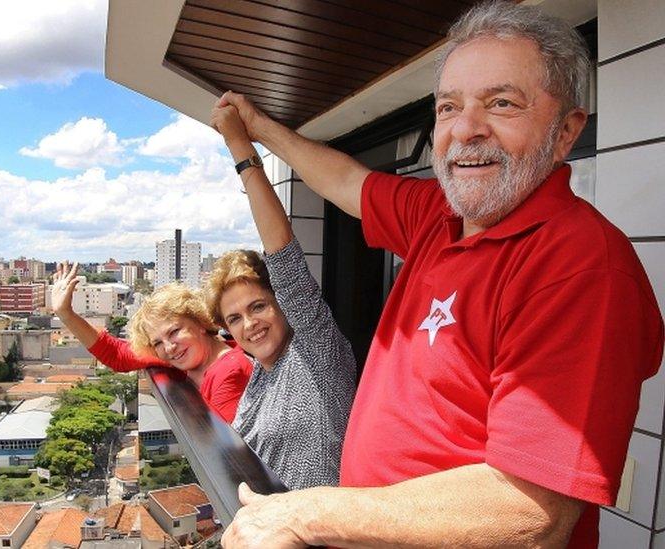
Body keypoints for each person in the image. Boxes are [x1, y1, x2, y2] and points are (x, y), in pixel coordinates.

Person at [216, 2, 664, 548]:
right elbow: (343, 180)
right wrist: (259, 129)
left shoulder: (583, 267)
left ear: (567, 131)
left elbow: (532, 511)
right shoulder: (440, 214)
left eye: (502, 103)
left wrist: (301, 516)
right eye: (449, 107)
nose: (466, 130)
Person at [206, 104, 357, 491]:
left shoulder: (316, 355)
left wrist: (240, 149)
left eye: (258, 306)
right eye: (235, 318)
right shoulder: (260, 373)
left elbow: (284, 256)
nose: (250, 324)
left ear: (282, 304)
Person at [50, 262, 251, 423]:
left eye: (174, 331)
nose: (169, 347)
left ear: (199, 321)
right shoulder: (185, 355)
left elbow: (231, 456)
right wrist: (66, 314)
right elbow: (117, 354)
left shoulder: (229, 371)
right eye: (157, 343)